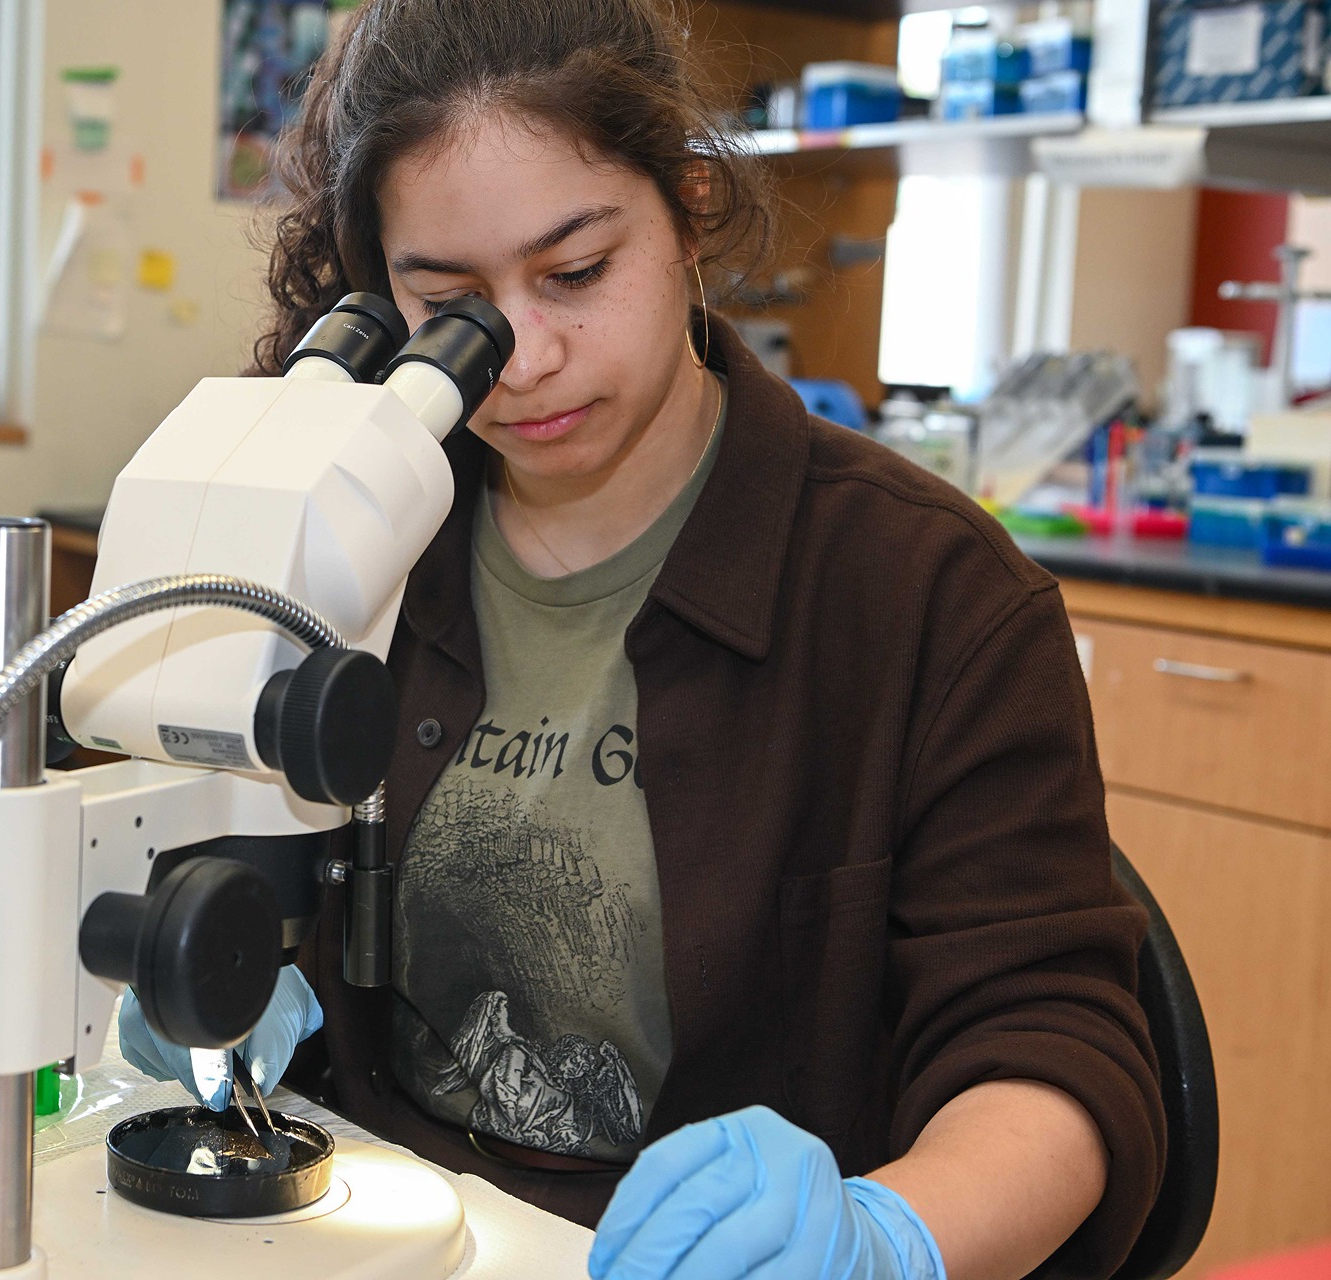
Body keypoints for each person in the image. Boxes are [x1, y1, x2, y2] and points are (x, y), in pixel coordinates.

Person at [122, 2, 1166, 1277]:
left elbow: (1058, 1053)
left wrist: (888, 1239)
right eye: (453, 305)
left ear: (686, 209)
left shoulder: (924, 593)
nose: (526, 359)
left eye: (575, 273)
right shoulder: (351, 535)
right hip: (378, 1229)